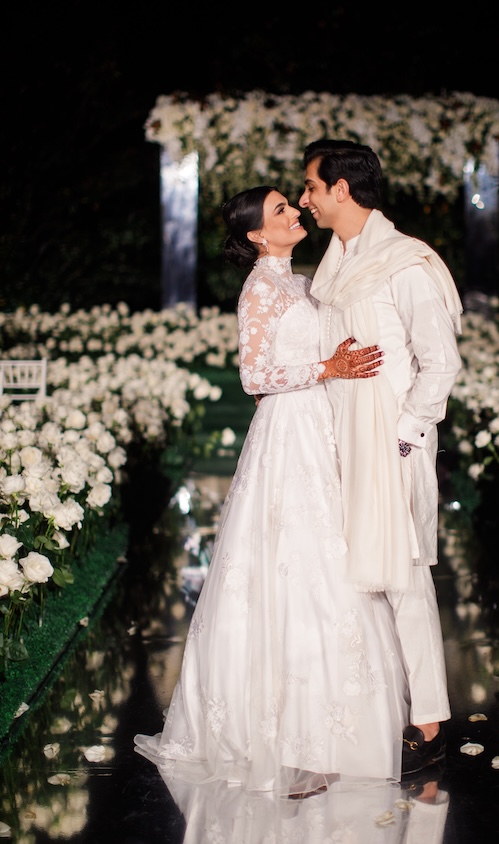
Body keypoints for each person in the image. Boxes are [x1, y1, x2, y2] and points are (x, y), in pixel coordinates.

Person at [134, 186, 410, 797]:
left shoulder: (302, 280)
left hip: (321, 426)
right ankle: (294, 740)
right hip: (288, 437)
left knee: (334, 566)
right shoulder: (260, 288)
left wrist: (333, 364)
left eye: (292, 204)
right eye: (281, 211)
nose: (294, 214)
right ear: (259, 235)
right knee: (296, 571)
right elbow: (254, 376)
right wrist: (325, 370)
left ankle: (337, 732)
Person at [299, 139, 464, 777]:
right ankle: (364, 706)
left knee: (403, 577)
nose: (306, 199)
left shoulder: (406, 263)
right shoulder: (333, 262)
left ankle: (429, 719)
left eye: (311, 186)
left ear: (343, 189)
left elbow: (440, 362)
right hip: (335, 434)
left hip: (391, 441)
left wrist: (405, 435)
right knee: (349, 572)